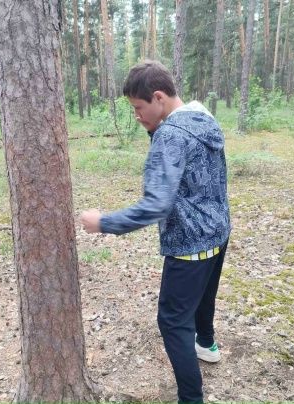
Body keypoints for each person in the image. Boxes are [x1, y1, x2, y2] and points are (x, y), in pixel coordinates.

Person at [80, 60, 231, 404]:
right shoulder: (202, 118)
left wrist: (103, 223)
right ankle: (206, 344)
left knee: (173, 322)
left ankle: (191, 399)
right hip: (219, 230)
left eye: (138, 107)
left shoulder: (171, 135)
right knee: (203, 295)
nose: (136, 115)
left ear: (159, 97)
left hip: (191, 242)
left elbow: (156, 205)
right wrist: (155, 128)